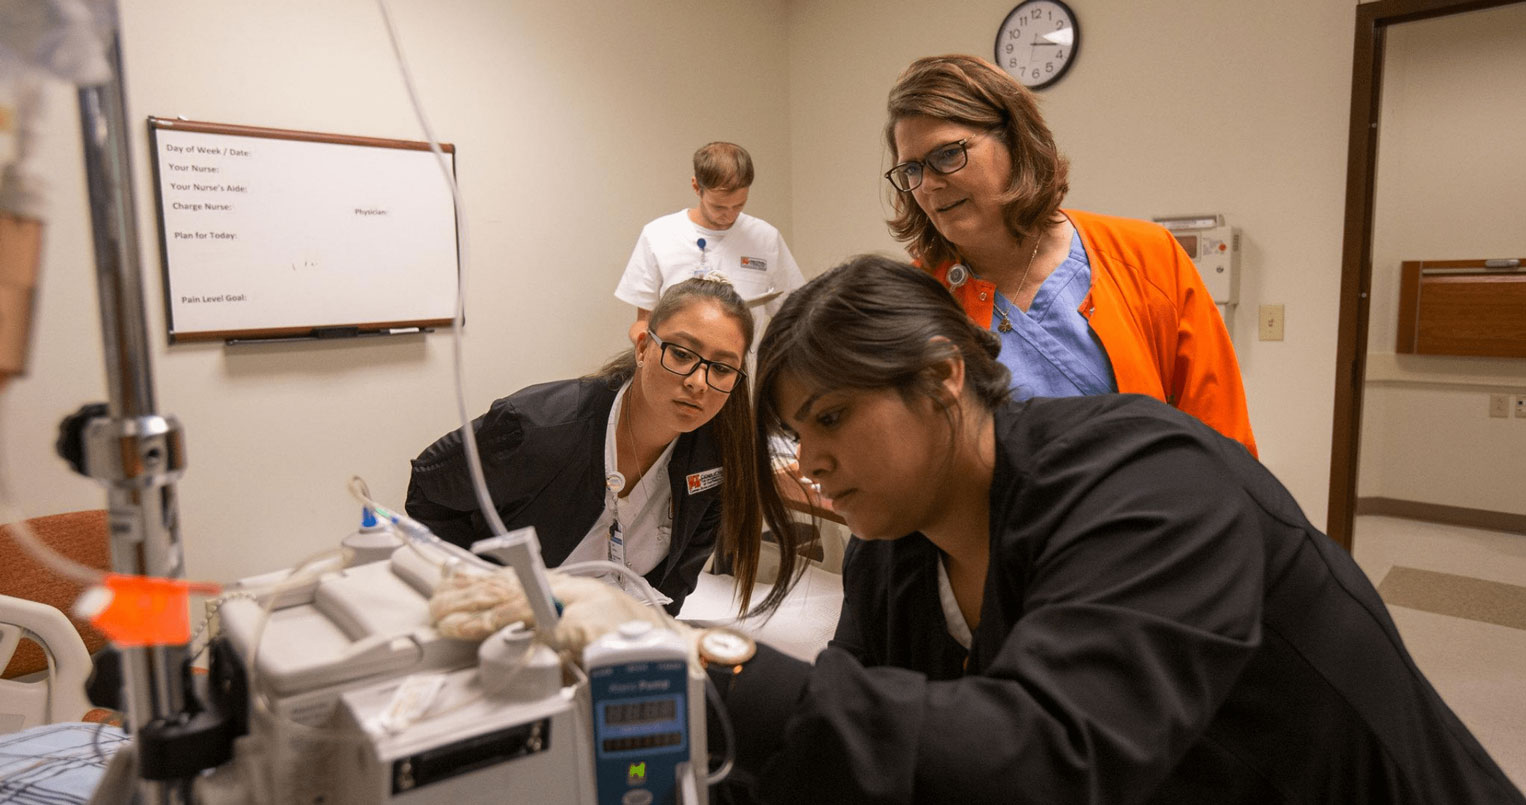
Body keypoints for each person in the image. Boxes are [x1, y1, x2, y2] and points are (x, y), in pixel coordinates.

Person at [448, 257, 1525, 803]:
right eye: (788, 431)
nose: (805, 460)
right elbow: (862, 735)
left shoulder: (1149, 480)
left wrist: (688, 653)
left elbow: (1048, 756)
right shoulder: (898, 545)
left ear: (941, 377)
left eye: (829, 419)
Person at [884, 55, 1257, 457]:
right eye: (912, 170)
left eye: (947, 154)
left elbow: (1224, 447)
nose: (929, 186)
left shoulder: (1148, 257)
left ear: (1015, 140)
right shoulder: (914, 302)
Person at [406, 276, 764, 614]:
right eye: (682, 354)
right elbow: (427, 489)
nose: (699, 382)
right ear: (643, 349)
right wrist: (489, 584)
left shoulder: (715, 459)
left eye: (721, 368)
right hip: (517, 620)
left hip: (622, 636)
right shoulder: (537, 427)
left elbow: (676, 584)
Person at [614, 142, 805, 353]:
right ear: (697, 187)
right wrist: (649, 344)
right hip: (678, 371)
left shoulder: (766, 238)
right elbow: (643, 322)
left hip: (743, 374)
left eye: (739, 205)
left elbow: (794, 316)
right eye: (719, 207)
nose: (729, 214)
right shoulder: (658, 235)